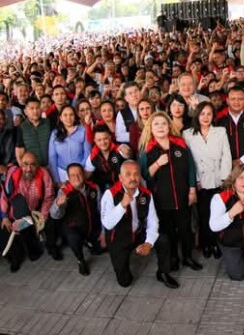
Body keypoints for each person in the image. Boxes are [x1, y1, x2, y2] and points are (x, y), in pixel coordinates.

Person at [138, 111, 201, 271]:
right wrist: (157, 164)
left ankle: (187, 257)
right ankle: (172, 258)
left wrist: (192, 189)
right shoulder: (147, 150)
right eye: (156, 124)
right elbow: (144, 176)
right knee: (168, 231)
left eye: (163, 123)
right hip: (161, 200)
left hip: (182, 196)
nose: (160, 127)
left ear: (169, 126)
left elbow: (191, 168)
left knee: (186, 230)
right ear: (150, 128)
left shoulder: (179, 144)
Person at [101, 160, 179, 288]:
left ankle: (163, 272)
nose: (133, 178)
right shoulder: (109, 195)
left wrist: (149, 243)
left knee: (163, 239)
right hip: (119, 238)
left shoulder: (146, 194)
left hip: (138, 233)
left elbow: (153, 221)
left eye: (136, 174)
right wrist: (122, 205)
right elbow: (107, 224)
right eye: (128, 174)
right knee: (124, 282)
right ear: (120, 178)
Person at [183, 101, 232, 259]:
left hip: (218, 179)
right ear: (197, 115)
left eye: (209, 114)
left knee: (217, 213)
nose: (205, 117)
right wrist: (195, 180)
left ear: (213, 116)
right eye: (202, 113)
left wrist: (224, 178)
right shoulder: (188, 134)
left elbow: (226, 156)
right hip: (200, 181)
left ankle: (217, 243)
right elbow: (189, 161)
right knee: (204, 215)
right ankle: (206, 244)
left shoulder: (220, 131)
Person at [0, 152, 54, 271]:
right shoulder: (13, 174)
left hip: (31, 215)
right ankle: (15, 257)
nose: (28, 168)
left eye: (32, 165)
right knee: (5, 238)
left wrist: (42, 218)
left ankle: (33, 250)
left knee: (24, 220)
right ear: (20, 164)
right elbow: (4, 196)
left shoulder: (43, 174)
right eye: (25, 164)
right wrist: (4, 217)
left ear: (37, 165)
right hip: (12, 214)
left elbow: (48, 198)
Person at [49, 163, 102, 276]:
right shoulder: (64, 191)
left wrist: (103, 232)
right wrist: (59, 205)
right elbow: (54, 215)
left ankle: (89, 242)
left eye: (79, 174)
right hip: (74, 227)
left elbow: (102, 211)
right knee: (73, 238)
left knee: (99, 250)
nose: (76, 177)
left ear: (83, 174)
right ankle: (80, 260)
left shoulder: (93, 188)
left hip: (91, 224)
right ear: (68, 177)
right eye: (72, 175)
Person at [217, 85, 244, 167]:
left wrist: (242, 160)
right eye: (233, 99)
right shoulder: (218, 119)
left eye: (240, 99)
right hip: (224, 165)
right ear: (227, 101)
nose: (236, 102)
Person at [48, 105, 91, 184]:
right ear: (60, 118)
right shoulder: (55, 133)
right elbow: (52, 157)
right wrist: (57, 180)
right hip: (62, 173)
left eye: (71, 115)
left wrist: (80, 169)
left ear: (75, 117)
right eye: (65, 115)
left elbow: (87, 152)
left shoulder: (83, 130)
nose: (68, 118)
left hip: (80, 172)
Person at [85, 125, 130, 192]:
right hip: (103, 190)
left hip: (123, 187)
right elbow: (86, 175)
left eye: (105, 138)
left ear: (110, 137)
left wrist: (128, 152)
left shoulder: (119, 149)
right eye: (99, 140)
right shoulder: (92, 156)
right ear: (94, 141)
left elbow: (128, 154)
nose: (103, 142)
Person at [14, 97, 51, 168]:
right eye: (32, 108)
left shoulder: (48, 122)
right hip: (33, 168)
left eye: (37, 108)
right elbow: (19, 153)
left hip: (50, 166)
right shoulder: (21, 127)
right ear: (25, 111)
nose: (35, 111)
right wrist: (25, 169)